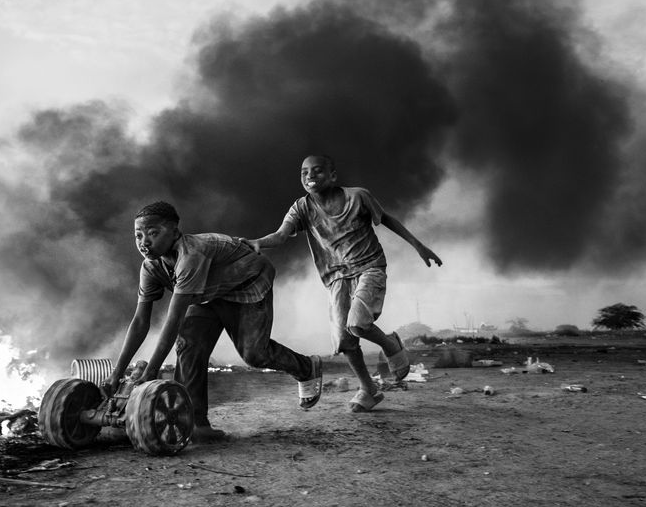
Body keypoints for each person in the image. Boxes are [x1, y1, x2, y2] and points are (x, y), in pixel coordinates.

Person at [102, 201, 323, 442]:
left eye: (153, 233)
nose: (144, 242)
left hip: (247, 286)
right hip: (207, 293)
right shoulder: (151, 267)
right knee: (189, 347)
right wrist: (117, 374)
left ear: (175, 232)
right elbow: (140, 321)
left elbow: (174, 320)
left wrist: (151, 371)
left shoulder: (191, 255)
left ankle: (306, 367)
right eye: (138, 235)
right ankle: (196, 423)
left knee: (254, 354)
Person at [241, 155, 442, 412]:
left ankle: (391, 344)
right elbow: (281, 235)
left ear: (333, 175)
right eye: (304, 173)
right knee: (343, 340)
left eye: (317, 171)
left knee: (357, 323)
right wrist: (259, 242)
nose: (310, 176)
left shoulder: (358, 197)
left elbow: (387, 219)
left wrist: (419, 246)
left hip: (369, 267)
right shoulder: (301, 207)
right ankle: (368, 389)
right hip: (335, 277)